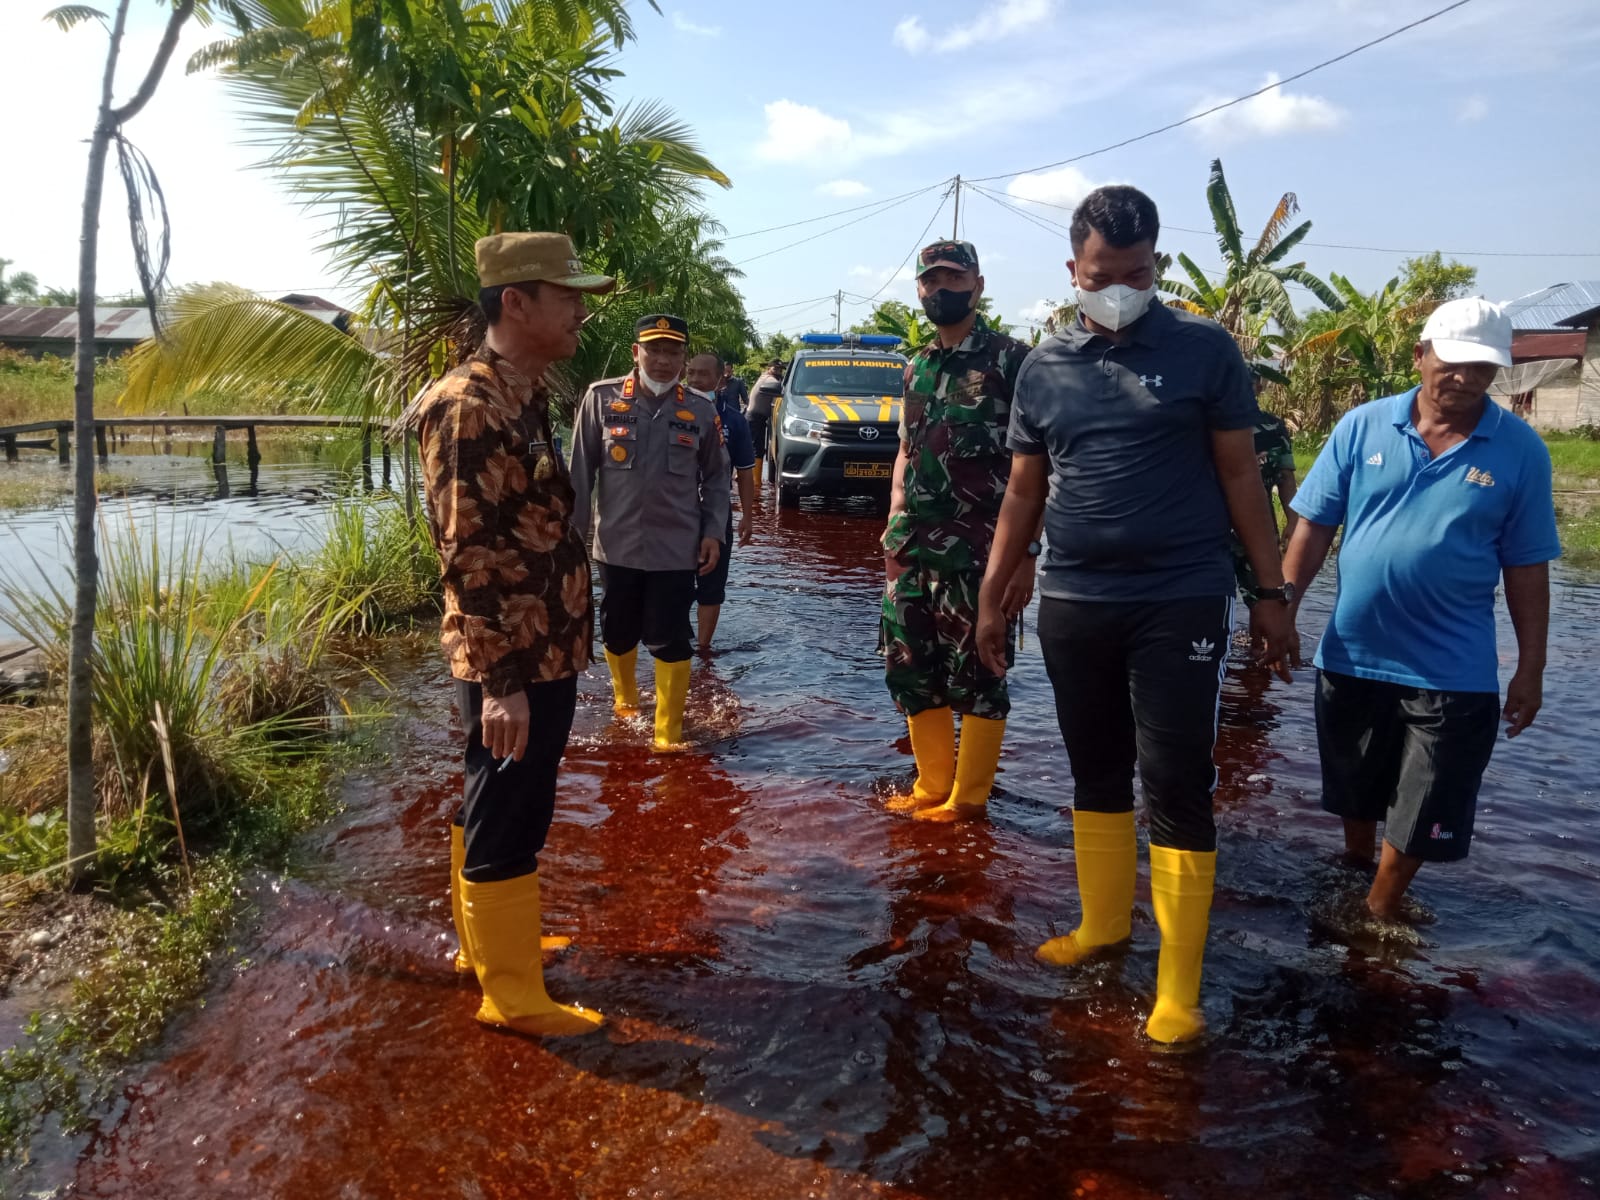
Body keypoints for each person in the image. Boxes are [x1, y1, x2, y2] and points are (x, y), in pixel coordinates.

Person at [975, 185, 1294, 1045]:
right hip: (1076, 600)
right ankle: (1103, 926)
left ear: (1157, 262)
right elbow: (1022, 492)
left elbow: (1240, 479)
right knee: (1095, 771)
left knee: (1179, 782)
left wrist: (1272, 594)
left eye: (1139, 271)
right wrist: (994, 591)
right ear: (1072, 270)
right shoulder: (1043, 367)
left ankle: (1178, 989)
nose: (1121, 287)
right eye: (1103, 273)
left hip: (1179, 596)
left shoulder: (1205, 351)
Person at [1280, 297, 1560, 922]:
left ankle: (1376, 913)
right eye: (1453, 362)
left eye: (1483, 367)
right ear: (1421, 356)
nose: (1465, 378)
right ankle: (1354, 874)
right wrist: (1282, 611)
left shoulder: (1520, 451)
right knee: (1355, 791)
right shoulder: (1362, 426)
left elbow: (1526, 566)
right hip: (1352, 654)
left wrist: (1530, 666)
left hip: (1451, 671)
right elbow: (1314, 527)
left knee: (1426, 802)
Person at [412, 231, 612, 1038]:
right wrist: (500, 683)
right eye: (567, 297)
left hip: (542, 643)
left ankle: (487, 946)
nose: (579, 313)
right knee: (510, 801)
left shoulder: (524, 395)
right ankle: (513, 996)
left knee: (495, 791)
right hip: (513, 655)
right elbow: (465, 550)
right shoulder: (468, 405)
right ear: (517, 303)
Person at [880, 239, 1035, 824]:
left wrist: (1027, 556)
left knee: (980, 674)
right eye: (929, 279)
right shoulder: (917, 366)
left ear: (977, 284)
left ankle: (968, 800)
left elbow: (1035, 467)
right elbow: (905, 449)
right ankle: (930, 787)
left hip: (982, 555)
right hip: (912, 548)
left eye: (952, 277)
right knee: (910, 665)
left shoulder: (1012, 361)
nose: (939, 288)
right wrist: (894, 523)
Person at [570, 314, 731, 750]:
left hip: (676, 547)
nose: (663, 360)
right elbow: (580, 474)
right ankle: (625, 703)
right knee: (618, 629)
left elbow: (718, 477)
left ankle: (667, 734)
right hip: (616, 545)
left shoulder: (699, 409)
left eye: (673, 352)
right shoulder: (601, 400)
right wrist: (572, 542)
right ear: (636, 352)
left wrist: (713, 532)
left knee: (671, 636)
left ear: (683, 357)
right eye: (654, 350)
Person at [687, 351, 756, 654]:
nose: (696, 380)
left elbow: (744, 471)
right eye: (691, 373)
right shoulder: (670, 411)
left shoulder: (733, 420)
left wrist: (748, 516)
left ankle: (703, 649)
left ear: (720, 379)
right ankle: (675, 644)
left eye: (703, 374)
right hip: (675, 512)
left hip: (715, 514)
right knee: (672, 582)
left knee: (711, 585)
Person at [1232, 410, 1299, 607]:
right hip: (1213, 528)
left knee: (1269, 600)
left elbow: (1286, 476)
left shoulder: (1273, 426)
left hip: (1260, 528)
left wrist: (1293, 520)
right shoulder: (1204, 420)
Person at [746, 358, 783, 488]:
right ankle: (755, 482)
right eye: (775, 369)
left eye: (780, 369)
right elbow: (780, 388)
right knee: (756, 448)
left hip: (757, 417)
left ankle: (743, 476)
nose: (778, 371)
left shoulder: (766, 377)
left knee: (754, 447)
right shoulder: (769, 380)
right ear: (769, 369)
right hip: (755, 417)